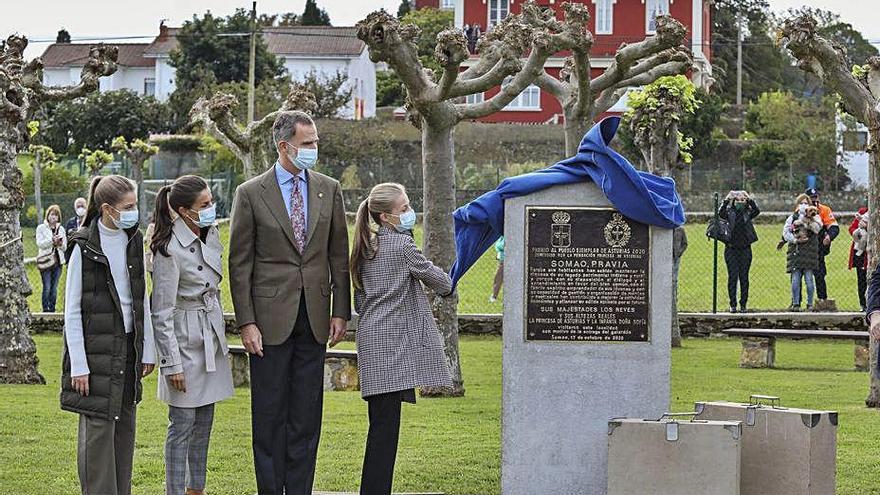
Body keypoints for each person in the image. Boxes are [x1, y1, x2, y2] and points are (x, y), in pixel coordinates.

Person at [228, 110, 351, 495]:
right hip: (267, 322)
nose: (315, 148)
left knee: (306, 416)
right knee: (268, 414)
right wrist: (246, 322)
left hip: (315, 317)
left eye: (316, 141)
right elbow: (239, 263)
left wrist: (340, 312)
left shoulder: (328, 188)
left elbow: (337, 256)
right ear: (285, 146)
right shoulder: (249, 193)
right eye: (308, 143)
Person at [349, 183, 453, 495]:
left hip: (371, 339)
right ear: (385, 216)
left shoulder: (365, 248)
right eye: (404, 209)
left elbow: (358, 301)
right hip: (393, 343)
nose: (410, 213)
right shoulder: (403, 247)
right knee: (385, 430)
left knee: (380, 424)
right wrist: (450, 283)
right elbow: (440, 281)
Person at [60, 175, 156, 495]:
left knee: (124, 431)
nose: (134, 212)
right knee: (98, 436)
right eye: (127, 207)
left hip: (128, 349)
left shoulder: (133, 239)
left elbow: (141, 299)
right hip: (96, 351)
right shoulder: (83, 246)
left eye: (135, 205)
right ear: (106, 209)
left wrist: (147, 350)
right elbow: (72, 310)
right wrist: (79, 365)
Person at [151, 175, 234, 495]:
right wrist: (171, 364)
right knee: (182, 425)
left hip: (209, 338)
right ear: (185, 211)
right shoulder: (168, 249)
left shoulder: (210, 235)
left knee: (204, 424)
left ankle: (195, 489)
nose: (212, 208)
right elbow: (161, 312)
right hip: (184, 342)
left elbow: (213, 286)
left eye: (211, 202)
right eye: (205, 205)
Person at [717, 190, 759, 312]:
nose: (740, 202)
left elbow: (757, 211)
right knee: (732, 277)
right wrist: (727, 199)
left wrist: (749, 198)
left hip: (745, 249)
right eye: (738, 200)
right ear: (734, 201)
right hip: (731, 249)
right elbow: (720, 213)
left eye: (742, 200)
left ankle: (743, 304)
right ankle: (733, 304)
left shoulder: (748, 212)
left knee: (744, 277)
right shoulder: (729, 212)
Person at [783, 194, 822, 311]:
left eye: (806, 203)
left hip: (810, 253)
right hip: (796, 252)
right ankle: (795, 303)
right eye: (801, 203)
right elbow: (786, 233)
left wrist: (807, 222)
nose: (804, 205)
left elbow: (817, 229)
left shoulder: (816, 217)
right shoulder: (792, 217)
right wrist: (795, 240)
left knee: (809, 279)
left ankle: (810, 304)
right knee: (795, 280)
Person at [805, 188, 839, 303]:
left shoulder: (824, 209)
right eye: (812, 198)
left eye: (816, 197)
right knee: (801, 275)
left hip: (819, 248)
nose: (815, 200)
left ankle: (822, 299)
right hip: (805, 247)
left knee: (820, 274)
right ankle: (797, 302)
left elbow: (834, 226)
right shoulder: (801, 210)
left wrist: (829, 236)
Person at [36, 204, 67, 312]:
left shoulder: (61, 229)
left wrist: (60, 243)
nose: (54, 217)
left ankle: (52, 309)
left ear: (59, 217)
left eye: (56, 215)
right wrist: (52, 241)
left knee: (54, 289)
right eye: (52, 214)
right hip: (46, 261)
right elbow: (40, 244)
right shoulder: (41, 228)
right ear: (47, 215)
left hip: (58, 263)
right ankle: (45, 310)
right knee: (47, 287)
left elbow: (65, 247)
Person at [849, 208, 870, 311]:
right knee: (861, 280)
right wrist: (858, 231)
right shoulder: (862, 211)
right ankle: (863, 304)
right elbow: (852, 228)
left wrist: (867, 227)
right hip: (861, 254)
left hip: (873, 252)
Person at [490, 236, 504, 302]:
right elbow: (498, 246)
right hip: (502, 259)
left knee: (498, 277)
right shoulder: (501, 235)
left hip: (505, 259)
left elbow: (501, 246)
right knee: (498, 277)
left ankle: (494, 296)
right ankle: (494, 296)